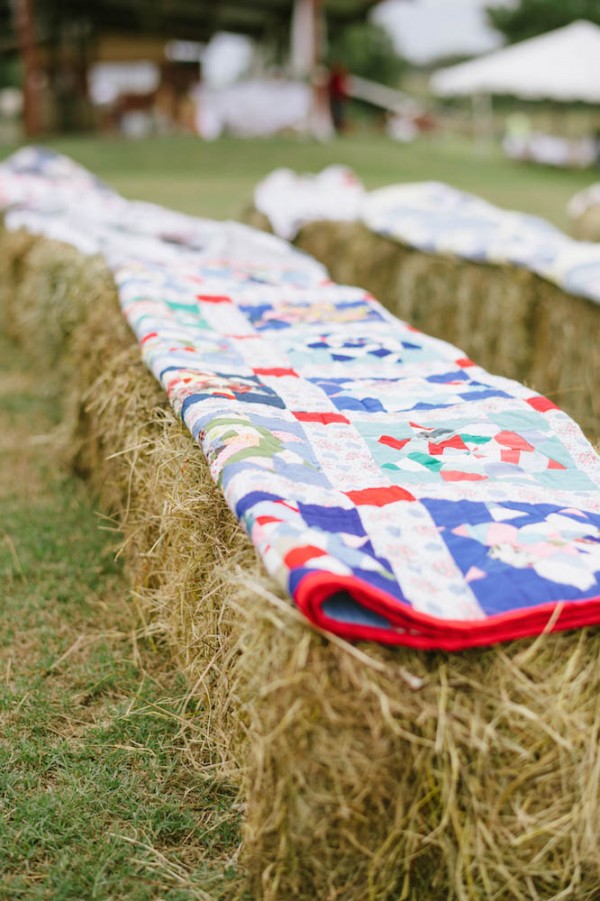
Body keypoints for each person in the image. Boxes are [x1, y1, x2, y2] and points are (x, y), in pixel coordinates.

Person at [327, 63, 348, 134]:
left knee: (338, 113)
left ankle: (339, 127)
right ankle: (337, 127)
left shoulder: (338, 77)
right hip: (335, 98)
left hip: (338, 98)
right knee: (336, 113)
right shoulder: (335, 77)